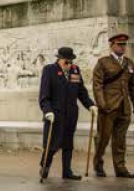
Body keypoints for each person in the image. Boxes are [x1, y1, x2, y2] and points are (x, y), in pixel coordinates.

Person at [39, 47, 97, 180]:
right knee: (52, 145)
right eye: (66, 62)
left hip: (70, 115)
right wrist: (47, 111)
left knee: (68, 144)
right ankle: (45, 166)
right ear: (59, 59)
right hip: (55, 115)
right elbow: (44, 95)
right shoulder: (49, 70)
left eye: (71, 62)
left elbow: (81, 92)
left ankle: (67, 171)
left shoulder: (75, 70)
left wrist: (90, 105)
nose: (69, 65)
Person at [92, 33, 134, 178]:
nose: (122, 47)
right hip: (108, 107)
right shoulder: (103, 62)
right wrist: (102, 104)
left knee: (120, 140)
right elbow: (97, 85)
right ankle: (98, 164)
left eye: (124, 44)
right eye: (119, 44)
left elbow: (133, 86)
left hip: (124, 108)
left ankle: (120, 168)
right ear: (111, 45)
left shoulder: (129, 63)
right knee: (103, 138)